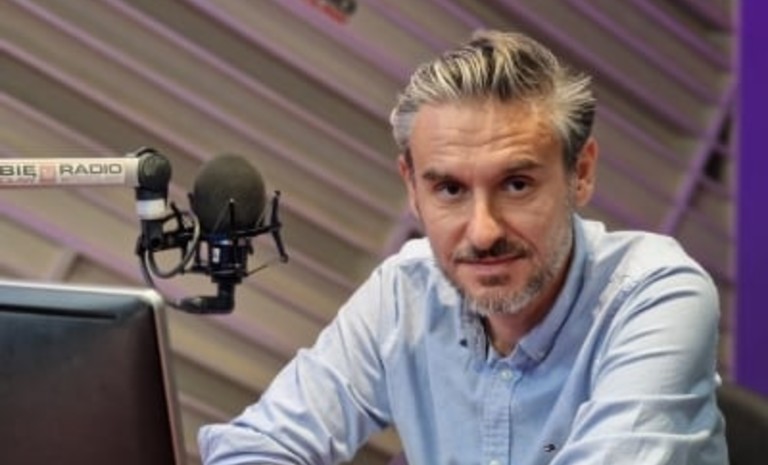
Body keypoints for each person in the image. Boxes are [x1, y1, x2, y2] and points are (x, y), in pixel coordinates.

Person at [198, 29, 728, 465]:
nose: (483, 232)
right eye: (450, 189)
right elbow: (255, 448)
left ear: (580, 173)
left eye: (516, 185)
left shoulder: (655, 293)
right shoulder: (404, 293)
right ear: (413, 188)